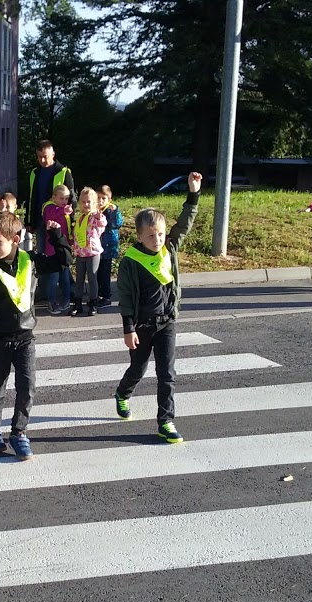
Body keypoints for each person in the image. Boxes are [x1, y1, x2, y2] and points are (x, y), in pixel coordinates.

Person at [0, 212, 72, 460]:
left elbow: (64, 260)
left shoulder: (31, 260)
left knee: (27, 387)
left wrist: (56, 235)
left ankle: (19, 432)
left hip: (25, 337)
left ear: (15, 239)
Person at [113, 172, 202, 444]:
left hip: (166, 322)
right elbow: (126, 296)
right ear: (139, 236)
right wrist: (128, 328)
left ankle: (166, 421)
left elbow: (185, 223)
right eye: (151, 235)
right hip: (142, 325)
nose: (158, 239)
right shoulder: (131, 261)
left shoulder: (169, 249)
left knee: (167, 374)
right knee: (138, 369)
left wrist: (193, 194)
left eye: (161, 234)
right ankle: (123, 393)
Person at [23, 140, 75, 254]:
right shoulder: (34, 173)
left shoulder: (63, 172)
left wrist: (72, 222)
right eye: (39, 157)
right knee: (42, 253)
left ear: (53, 154)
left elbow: (72, 199)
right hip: (40, 220)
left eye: (45, 157)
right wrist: (29, 221)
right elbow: (30, 198)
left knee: (60, 252)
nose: (42, 160)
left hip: (59, 221)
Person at [68, 186, 107, 316]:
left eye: (89, 202)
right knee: (79, 279)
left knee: (92, 278)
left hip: (92, 253)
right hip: (80, 253)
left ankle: (93, 303)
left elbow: (102, 224)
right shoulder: (80, 218)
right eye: (83, 202)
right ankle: (78, 304)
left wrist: (99, 217)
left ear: (94, 203)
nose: (86, 204)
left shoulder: (95, 217)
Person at [41, 184, 74, 314]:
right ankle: (52, 301)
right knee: (53, 278)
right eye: (61, 198)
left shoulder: (64, 210)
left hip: (63, 249)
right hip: (52, 250)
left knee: (65, 277)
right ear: (53, 197)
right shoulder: (49, 207)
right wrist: (63, 211)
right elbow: (51, 216)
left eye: (66, 198)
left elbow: (67, 229)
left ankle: (66, 299)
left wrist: (70, 241)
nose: (64, 201)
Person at [96, 185, 122, 308]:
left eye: (103, 198)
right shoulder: (95, 211)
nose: (100, 201)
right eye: (98, 198)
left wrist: (114, 212)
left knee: (105, 272)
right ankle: (98, 294)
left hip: (108, 247)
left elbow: (117, 224)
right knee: (97, 272)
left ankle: (106, 296)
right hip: (97, 247)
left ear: (109, 200)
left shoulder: (112, 211)